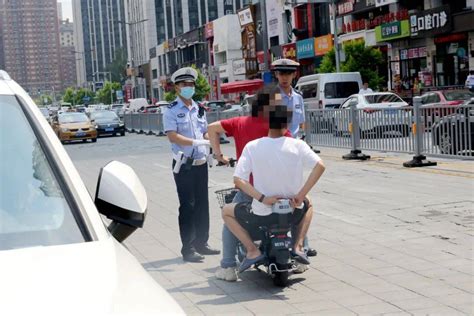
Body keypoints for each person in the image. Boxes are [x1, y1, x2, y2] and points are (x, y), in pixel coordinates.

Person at [222, 93, 325, 274]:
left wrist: (263, 198)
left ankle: (252, 251)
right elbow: (320, 166)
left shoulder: (253, 147)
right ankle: (299, 245)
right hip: (293, 211)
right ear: (287, 124)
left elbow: (238, 180)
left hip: (262, 213)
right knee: (310, 204)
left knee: (226, 211)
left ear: (266, 123)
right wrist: (300, 196)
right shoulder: (298, 145)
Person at [163, 67, 220, 262]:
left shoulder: (199, 109)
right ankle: (187, 248)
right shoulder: (171, 110)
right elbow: (172, 136)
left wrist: (210, 138)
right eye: (184, 85)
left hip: (200, 162)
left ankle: (201, 243)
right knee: (188, 205)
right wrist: (194, 142)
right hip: (184, 164)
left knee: (202, 203)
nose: (188, 87)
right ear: (177, 88)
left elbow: (204, 131)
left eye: (191, 84)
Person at [271, 58, 305, 137]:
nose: (284, 78)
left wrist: (302, 138)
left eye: (288, 74)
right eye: (281, 74)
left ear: (294, 74)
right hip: (278, 143)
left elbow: (301, 122)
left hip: (295, 143)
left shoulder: (298, 97)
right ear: (276, 74)